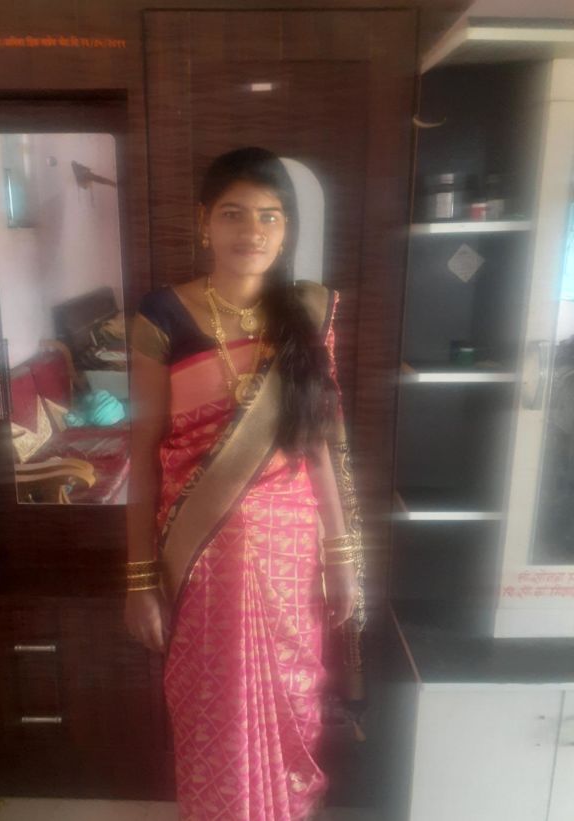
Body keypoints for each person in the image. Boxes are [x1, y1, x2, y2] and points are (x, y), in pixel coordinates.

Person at [124, 146, 367, 821]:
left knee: (291, 704)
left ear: (286, 231)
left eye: (269, 216)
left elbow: (321, 441)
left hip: (292, 554)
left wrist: (342, 554)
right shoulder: (161, 317)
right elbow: (141, 451)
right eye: (233, 213)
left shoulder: (310, 311)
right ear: (204, 222)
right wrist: (138, 580)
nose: (252, 231)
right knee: (213, 707)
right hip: (197, 553)